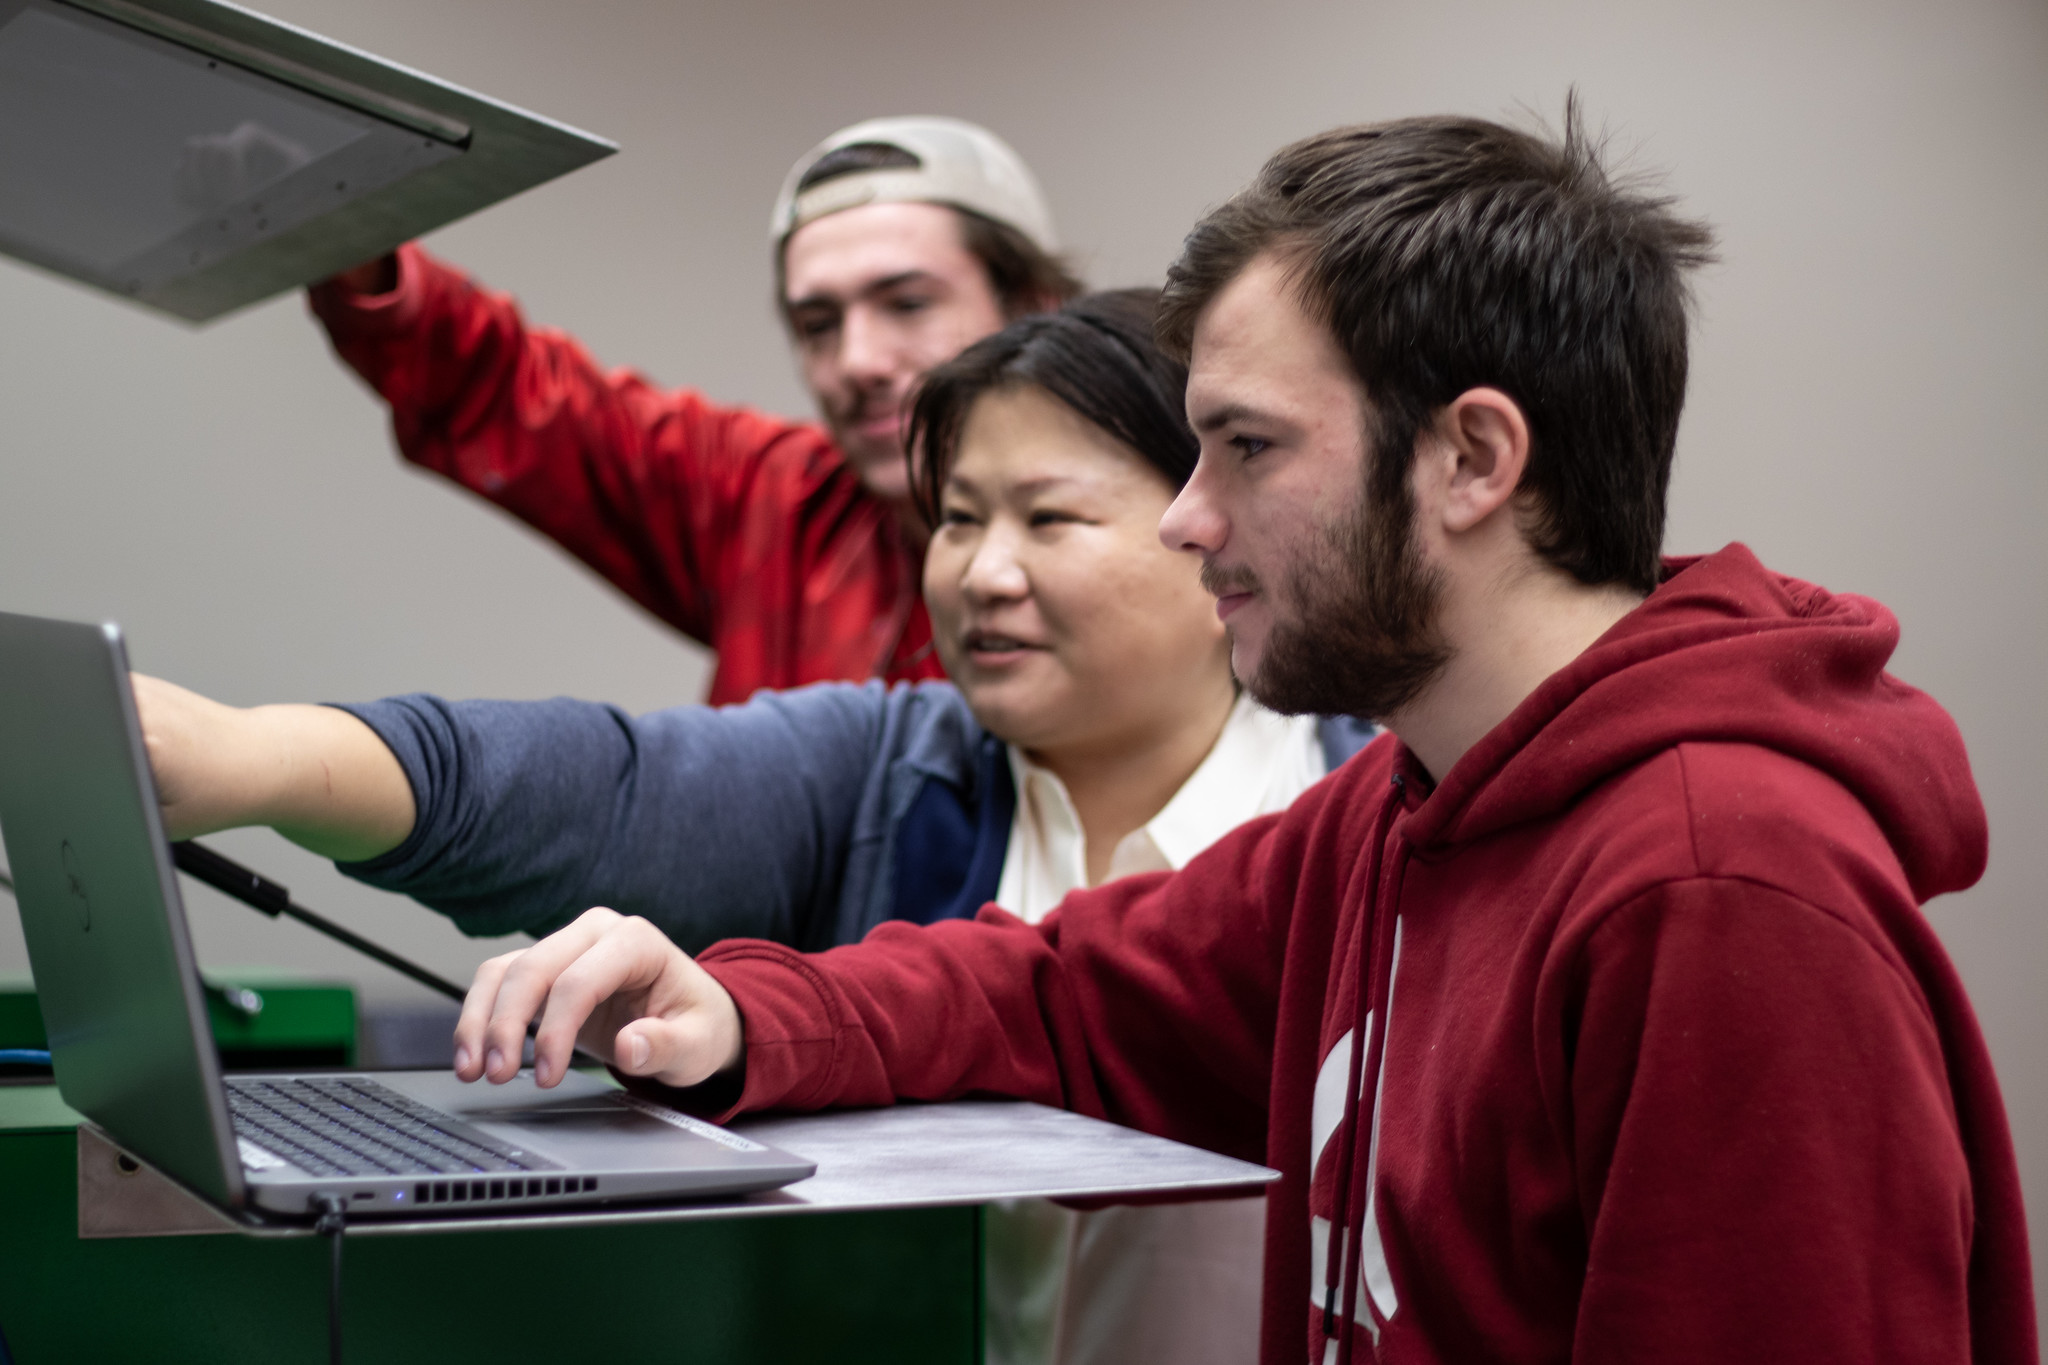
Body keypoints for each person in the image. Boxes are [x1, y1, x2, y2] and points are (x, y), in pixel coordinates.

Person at [444, 110, 2038, 1364]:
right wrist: (737, 1011)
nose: (1188, 519)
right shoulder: (1401, 811)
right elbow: (1066, 992)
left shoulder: (1720, 891)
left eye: (1246, 447)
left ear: (1473, 458)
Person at [139, 293, 1374, 1365]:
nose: (980, 573)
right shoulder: (887, 770)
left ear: (1205, 527)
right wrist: (249, 759)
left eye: (1047, 520)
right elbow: (599, 788)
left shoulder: (1355, 816)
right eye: (956, 519)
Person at [310, 117, 1083, 705]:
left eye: (907, 303)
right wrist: (341, 224)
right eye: (818, 324)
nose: (857, 362)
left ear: (1035, 307)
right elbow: (510, 392)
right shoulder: (777, 503)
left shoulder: (1138, 535)